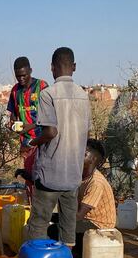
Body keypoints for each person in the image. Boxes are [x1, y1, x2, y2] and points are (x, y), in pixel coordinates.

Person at [25, 47, 91, 247]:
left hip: (50, 176)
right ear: (74, 67)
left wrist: (32, 142)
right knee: (67, 230)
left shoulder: (48, 94)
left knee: (38, 225)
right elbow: (86, 134)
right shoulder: (83, 95)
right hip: (72, 176)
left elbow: (50, 132)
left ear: (52, 68)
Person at [48, 139, 116, 258]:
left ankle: (74, 256)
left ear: (93, 159)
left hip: (99, 226)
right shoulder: (80, 176)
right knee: (49, 219)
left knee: (55, 229)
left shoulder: (96, 182)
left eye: (83, 154)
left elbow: (79, 215)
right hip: (85, 219)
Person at [7, 56, 49, 153]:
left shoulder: (42, 86)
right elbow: (13, 113)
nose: (21, 78)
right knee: (28, 167)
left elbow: (50, 115)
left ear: (30, 71)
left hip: (43, 139)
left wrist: (32, 126)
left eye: (24, 75)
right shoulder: (15, 90)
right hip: (25, 143)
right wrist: (12, 124)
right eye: (18, 76)